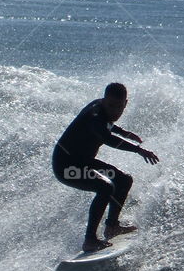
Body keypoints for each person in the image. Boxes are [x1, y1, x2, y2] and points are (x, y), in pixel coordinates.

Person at [52, 83, 159, 252]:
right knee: (105, 187)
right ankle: (90, 240)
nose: (114, 111)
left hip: (83, 162)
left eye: (119, 106)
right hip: (66, 166)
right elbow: (107, 137)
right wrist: (138, 150)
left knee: (123, 180)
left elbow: (108, 124)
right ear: (103, 101)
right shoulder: (95, 115)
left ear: (126, 103)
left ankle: (112, 226)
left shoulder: (103, 114)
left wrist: (124, 132)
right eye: (110, 106)